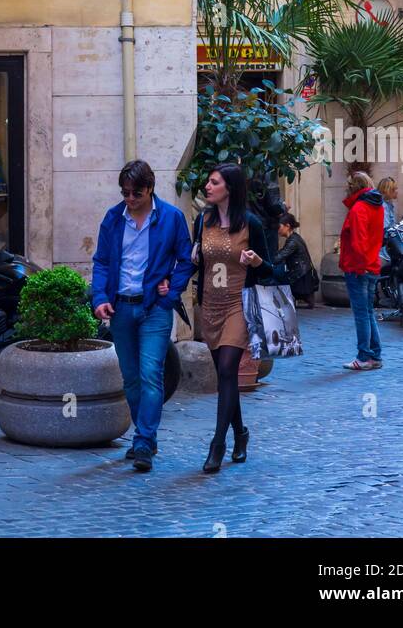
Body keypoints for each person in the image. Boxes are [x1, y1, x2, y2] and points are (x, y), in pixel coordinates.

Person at [91, 160, 194, 472]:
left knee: (151, 374)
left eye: (136, 192)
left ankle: (144, 441)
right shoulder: (113, 219)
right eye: (125, 192)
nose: (130, 198)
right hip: (121, 307)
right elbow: (102, 262)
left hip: (154, 310)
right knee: (131, 379)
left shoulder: (172, 218)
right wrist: (99, 297)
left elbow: (185, 260)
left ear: (150, 189)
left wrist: (172, 292)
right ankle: (144, 435)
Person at [192, 163, 285, 474]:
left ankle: (217, 445)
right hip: (210, 307)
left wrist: (257, 261)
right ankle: (241, 434)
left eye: (214, 182)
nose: (207, 186)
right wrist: (193, 258)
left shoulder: (251, 224)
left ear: (228, 188)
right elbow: (199, 264)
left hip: (238, 305)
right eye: (208, 181)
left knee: (229, 369)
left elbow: (271, 270)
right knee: (225, 377)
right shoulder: (201, 221)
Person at [340, 171, 385, 371]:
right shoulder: (377, 206)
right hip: (372, 264)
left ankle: (364, 355)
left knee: (361, 314)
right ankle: (374, 354)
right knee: (368, 312)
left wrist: (359, 265)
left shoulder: (359, 208)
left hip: (359, 267)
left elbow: (359, 242)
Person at [276, 213, 319, 309]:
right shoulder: (295, 237)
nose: (277, 229)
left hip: (300, 277)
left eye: (279, 226)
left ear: (287, 226)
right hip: (302, 274)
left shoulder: (293, 241)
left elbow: (280, 256)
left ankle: (305, 297)